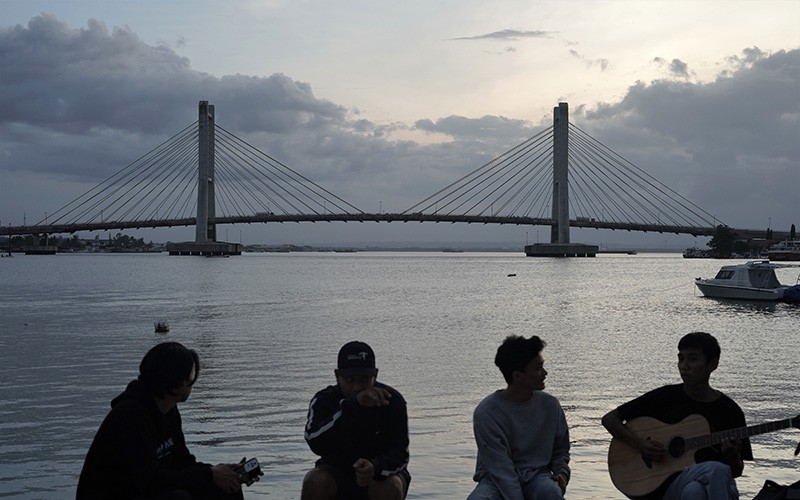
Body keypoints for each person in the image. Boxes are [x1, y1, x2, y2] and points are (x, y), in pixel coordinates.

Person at [77, 341, 257, 499]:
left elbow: (182, 461)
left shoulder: (168, 410)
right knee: (178, 498)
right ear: (176, 382)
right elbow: (150, 481)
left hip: (146, 491)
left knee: (226, 488)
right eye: (191, 376)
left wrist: (221, 473)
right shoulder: (129, 415)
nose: (192, 382)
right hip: (121, 494)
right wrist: (209, 474)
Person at [601, 331, 753, 499]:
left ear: (713, 364)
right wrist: (640, 444)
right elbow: (610, 419)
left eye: (692, 359)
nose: (684, 365)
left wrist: (733, 458)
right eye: (681, 359)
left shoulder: (730, 410)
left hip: (712, 485)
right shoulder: (665, 397)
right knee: (717, 469)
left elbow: (736, 471)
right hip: (665, 488)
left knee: (696, 490)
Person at [302, 341, 410, 500]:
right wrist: (350, 407)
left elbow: (400, 453)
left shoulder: (393, 401)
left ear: (375, 375)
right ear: (338, 376)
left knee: (391, 486)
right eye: (350, 379)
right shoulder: (324, 400)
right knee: (315, 481)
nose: (357, 387)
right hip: (337, 472)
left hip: (381, 472)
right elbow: (314, 440)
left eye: (364, 379)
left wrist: (375, 466)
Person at [468, 335, 571, 500]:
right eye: (538, 368)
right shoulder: (486, 413)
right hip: (494, 479)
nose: (545, 373)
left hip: (538, 475)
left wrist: (562, 474)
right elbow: (500, 469)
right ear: (517, 376)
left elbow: (560, 449)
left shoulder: (550, 405)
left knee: (550, 492)